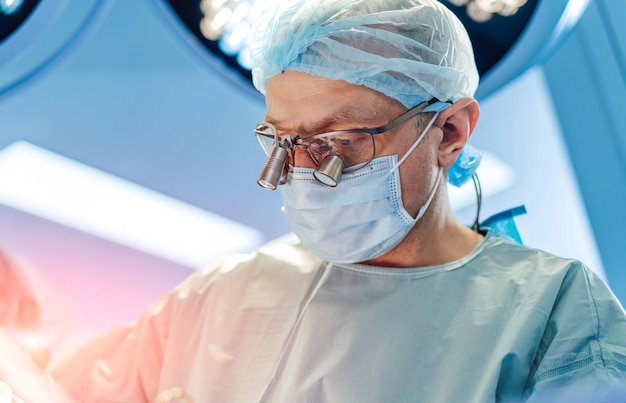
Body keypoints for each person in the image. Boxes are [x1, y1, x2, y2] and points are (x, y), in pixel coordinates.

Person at [37, 0, 626, 401]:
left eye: (338, 140)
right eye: (281, 139)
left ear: (450, 132)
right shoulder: (222, 295)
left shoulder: (554, 314)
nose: (301, 170)